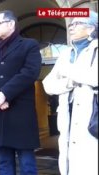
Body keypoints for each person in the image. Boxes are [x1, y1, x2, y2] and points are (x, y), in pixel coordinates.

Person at [0, 10, 42, 175]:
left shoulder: (29, 45)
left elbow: (30, 72)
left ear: (11, 24)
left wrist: (4, 94)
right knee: (4, 163)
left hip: (20, 113)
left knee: (27, 163)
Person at [43, 11, 98, 175]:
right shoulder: (66, 54)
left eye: (77, 24)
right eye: (71, 24)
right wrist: (71, 81)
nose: (71, 27)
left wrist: (68, 72)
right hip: (68, 116)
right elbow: (48, 84)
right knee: (70, 164)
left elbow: (94, 77)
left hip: (91, 118)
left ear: (90, 29)